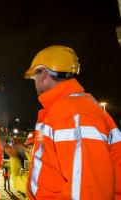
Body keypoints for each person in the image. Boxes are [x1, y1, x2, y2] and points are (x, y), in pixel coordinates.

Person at [24, 45, 121, 199]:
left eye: (34, 77)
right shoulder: (65, 110)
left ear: (43, 74)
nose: (34, 83)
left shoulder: (72, 114)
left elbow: (88, 191)